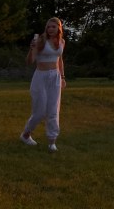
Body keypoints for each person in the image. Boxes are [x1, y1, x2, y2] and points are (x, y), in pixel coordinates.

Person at [20, 16, 67, 152]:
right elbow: (30, 61)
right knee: (39, 111)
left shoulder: (61, 41)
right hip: (40, 77)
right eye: (48, 26)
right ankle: (26, 135)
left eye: (53, 26)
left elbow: (60, 60)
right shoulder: (40, 40)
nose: (51, 29)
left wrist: (63, 77)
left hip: (55, 77)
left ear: (59, 28)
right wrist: (31, 49)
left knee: (53, 110)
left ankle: (52, 141)